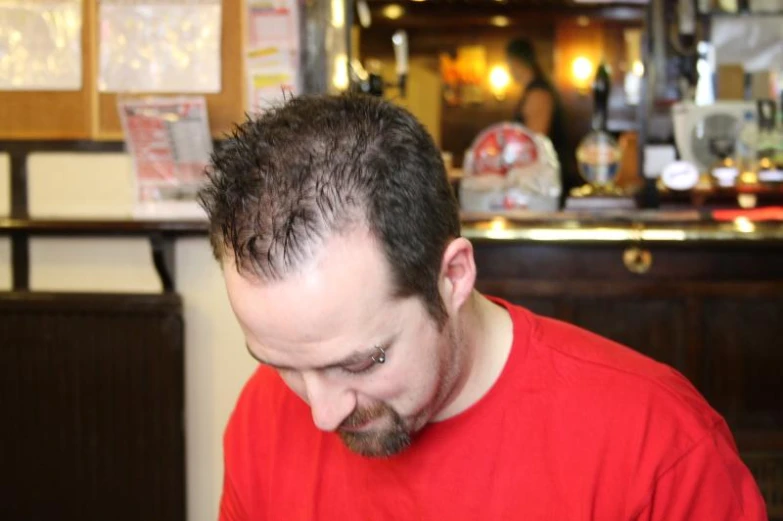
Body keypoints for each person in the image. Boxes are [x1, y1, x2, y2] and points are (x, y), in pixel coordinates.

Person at [199, 93, 767, 520]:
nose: (321, 414)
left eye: (360, 362)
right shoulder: (262, 417)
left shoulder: (657, 444)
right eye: (281, 364)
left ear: (452, 277)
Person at [506, 38, 580, 203]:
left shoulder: (538, 94)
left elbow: (535, 143)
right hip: (541, 180)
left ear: (515, 61)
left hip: (547, 183)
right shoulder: (534, 91)